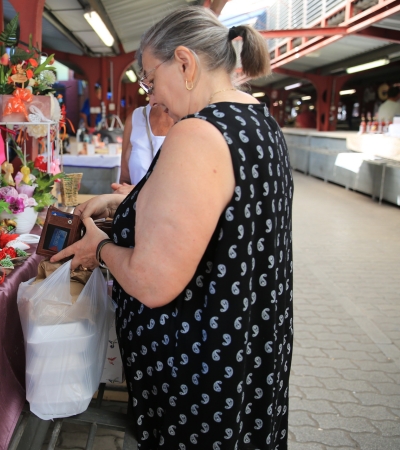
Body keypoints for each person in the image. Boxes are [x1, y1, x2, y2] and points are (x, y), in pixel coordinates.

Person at [50, 6, 293, 449]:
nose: (152, 96)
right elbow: (221, 218)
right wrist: (125, 200)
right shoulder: (261, 123)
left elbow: (151, 280)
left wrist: (100, 249)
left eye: (149, 78)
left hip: (198, 364)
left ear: (184, 62)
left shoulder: (198, 133)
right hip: (246, 348)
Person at [113, 105, 174, 195]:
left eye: (152, 90)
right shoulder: (136, 117)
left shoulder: (195, 121)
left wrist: (139, 192)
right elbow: (125, 181)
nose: (149, 95)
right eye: (146, 90)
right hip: (137, 208)